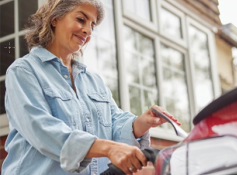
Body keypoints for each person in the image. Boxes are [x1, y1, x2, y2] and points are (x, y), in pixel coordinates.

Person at [1, 0, 181, 174]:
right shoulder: (23, 71)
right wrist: (108, 148)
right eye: (81, 19)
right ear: (54, 18)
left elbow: (113, 122)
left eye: (92, 26)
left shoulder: (93, 80)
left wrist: (140, 123)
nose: (87, 30)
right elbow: (41, 130)